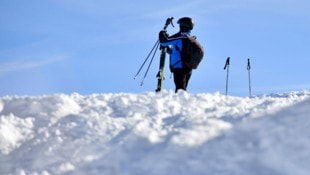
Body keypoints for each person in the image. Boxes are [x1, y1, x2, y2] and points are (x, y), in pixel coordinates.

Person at [159, 17, 195, 93]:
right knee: (182, 88)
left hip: (179, 68)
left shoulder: (180, 38)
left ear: (183, 26)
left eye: (180, 25)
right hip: (188, 68)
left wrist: (161, 33)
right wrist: (168, 49)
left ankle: (181, 103)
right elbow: (176, 52)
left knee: (180, 90)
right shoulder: (189, 38)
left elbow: (163, 42)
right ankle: (182, 102)